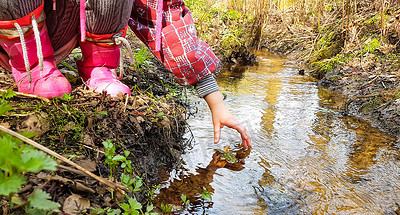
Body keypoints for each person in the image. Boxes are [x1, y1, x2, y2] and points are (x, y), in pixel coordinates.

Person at [0, 0, 251, 147]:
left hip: (70, 27)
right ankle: (32, 65)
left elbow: (163, 16)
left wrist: (215, 101)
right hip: (14, 33)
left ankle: (100, 65)